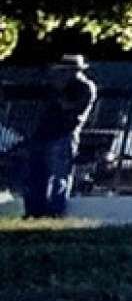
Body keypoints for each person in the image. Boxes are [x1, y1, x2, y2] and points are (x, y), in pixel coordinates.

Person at [18, 59, 96, 219]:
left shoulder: (84, 87)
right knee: (36, 173)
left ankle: (56, 211)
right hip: (44, 133)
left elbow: (70, 108)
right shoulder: (54, 87)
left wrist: (59, 91)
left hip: (64, 134)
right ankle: (34, 210)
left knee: (59, 175)